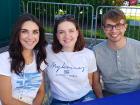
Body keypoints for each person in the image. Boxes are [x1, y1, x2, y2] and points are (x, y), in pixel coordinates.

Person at [45, 14, 103, 105]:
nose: (67, 36)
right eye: (61, 32)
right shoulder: (48, 51)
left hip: (85, 97)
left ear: (77, 32)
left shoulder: (88, 54)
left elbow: (90, 81)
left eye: (71, 31)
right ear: (56, 35)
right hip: (59, 100)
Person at [0, 13, 47, 105]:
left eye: (35, 32)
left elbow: (41, 92)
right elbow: (7, 100)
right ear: (17, 34)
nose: (30, 37)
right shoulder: (4, 59)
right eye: (24, 31)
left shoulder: (39, 58)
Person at [93, 9, 140, 96]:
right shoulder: (96, 51)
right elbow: (95, 82)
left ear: (125, 27)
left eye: (118, 25)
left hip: (136, 94)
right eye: (109, 26)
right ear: (103, 29)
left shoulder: (138, 47)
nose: (114, 30)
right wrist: (101, 100)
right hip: (109, 95)